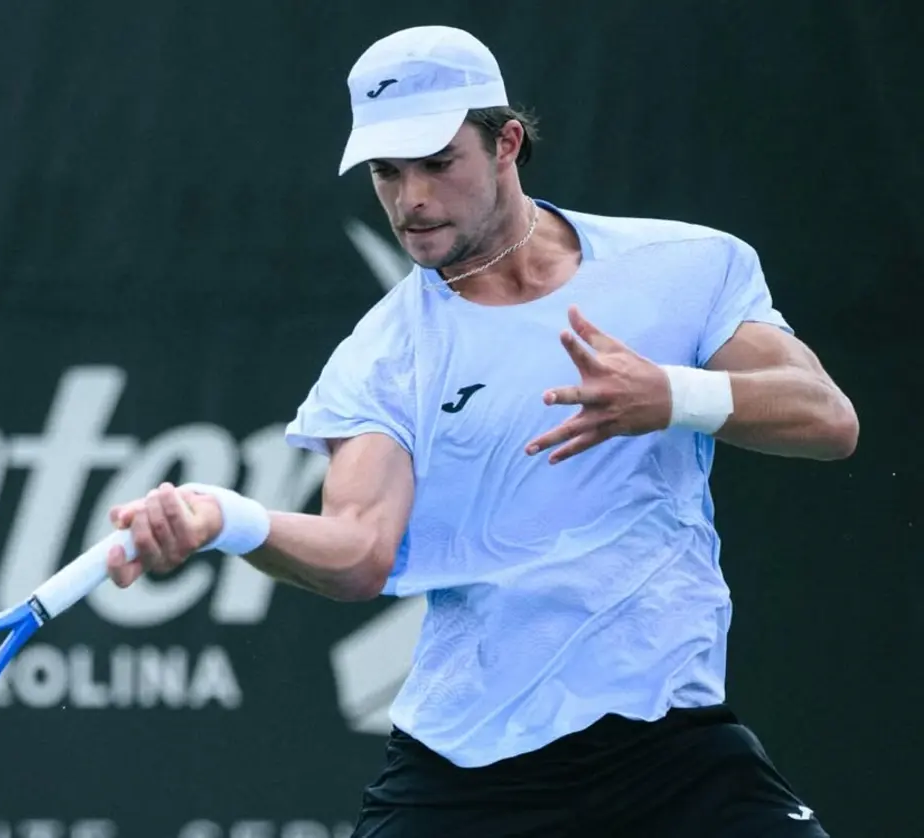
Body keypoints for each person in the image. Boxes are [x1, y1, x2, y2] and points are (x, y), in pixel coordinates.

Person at [104, 24, 858, 838]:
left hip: (673, 748)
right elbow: (360, 552)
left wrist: (671, 394)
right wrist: (226, 518)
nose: (411, 198)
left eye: (437, 163)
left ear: (506, 143)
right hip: (469, 770)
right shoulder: (381, 358)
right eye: (387, 173)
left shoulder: (687, 266)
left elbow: (828, 419)